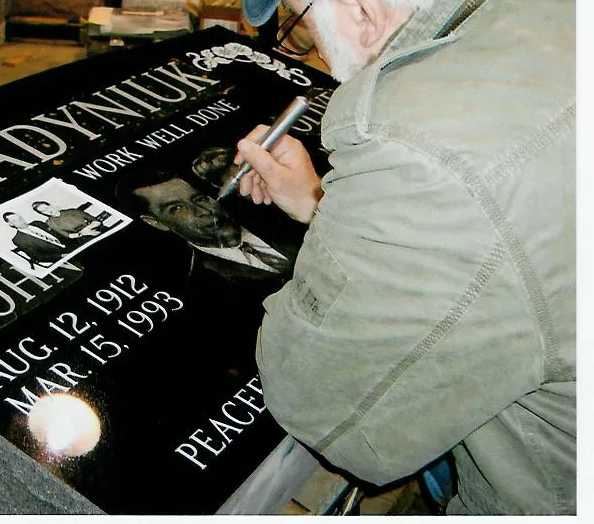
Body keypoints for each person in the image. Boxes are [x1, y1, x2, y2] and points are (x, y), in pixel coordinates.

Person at [236, 0, 574, 515]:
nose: (314, 55)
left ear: (365, 14)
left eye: (301, 31)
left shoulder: (422, 144)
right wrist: (318, 203)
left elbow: (325, 407)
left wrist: (369, 203)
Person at [116, 170, 296, 282]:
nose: (203, 211)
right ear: (155, 223)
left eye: (200, 198)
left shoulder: (279, 216)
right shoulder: (206, 284)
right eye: (177, 208)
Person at [3, 211, 68, 264]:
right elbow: (38, 257)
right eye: (15, 220)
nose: (21, 221)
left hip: (70, 245)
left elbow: (58, 233)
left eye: (20, 218)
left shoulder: (37, 223)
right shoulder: (18, 240)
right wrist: (61, 256)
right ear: (10, 224)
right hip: (61, 255)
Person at [31, 201, 105, 242]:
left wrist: (88, 228)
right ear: (42, 213)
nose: (48, 210)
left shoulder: (72, 211)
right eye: (43, 211)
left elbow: (97, 221)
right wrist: (83, 233)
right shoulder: (50, 223)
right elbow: (68, 236)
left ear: (51, 205)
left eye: (47, 207)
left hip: (97, 228)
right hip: (83, 237)